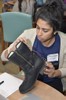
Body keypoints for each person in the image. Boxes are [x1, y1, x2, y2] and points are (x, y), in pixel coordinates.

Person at [1, 0, 66, 93]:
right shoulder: (28, 34)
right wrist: (12, 48)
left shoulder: (64, 41)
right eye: (37, 27)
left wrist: (55, 73)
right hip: (29, 80)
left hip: (53, 83)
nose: (39, 33)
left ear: (55, 31)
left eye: (45, 30)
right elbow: (3, 57)